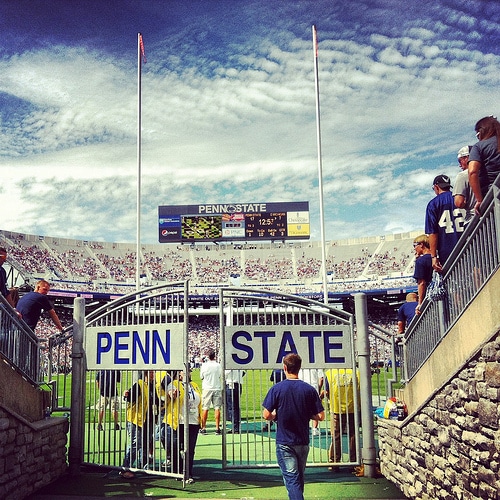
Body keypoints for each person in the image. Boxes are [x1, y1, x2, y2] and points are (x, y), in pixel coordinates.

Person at [262, 354, 325, 500]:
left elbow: (266, 414)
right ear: (299, 368)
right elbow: (321, 416)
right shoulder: (309, 389)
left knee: (292, 479)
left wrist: (275, 416)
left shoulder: (277, 388)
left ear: (285, 368)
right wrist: (306, 413)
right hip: (302, 440)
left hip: (285, 441)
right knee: (298, 479)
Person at [164, 369, 202, 483]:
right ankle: (178, 471)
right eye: (184, 371)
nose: (187, 373)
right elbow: (170, 393)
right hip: (179, 421)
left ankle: (188, 473)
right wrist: (172, 395)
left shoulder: (194, 385)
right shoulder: (174, 383)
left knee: (190, 449)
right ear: (179, 374)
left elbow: (199, 401)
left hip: (193, 421)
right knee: (176, 447)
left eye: (189, 371)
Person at [425, 175, 466, 272]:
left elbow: (432, 232)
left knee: (453, 281)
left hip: (447, 250)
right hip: (466, 244)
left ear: (436, 187)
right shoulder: (460, 199)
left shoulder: (433, 204)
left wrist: (433, 256)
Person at [322, 368, 360, 473]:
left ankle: (334, 462)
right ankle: (354, 461)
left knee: (336, 435)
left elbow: (326, 390)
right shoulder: (356, 371)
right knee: (353, 435)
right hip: (354, 407)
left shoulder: (330, 372)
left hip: (337, 408)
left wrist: (319, 397)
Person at [121, 370, 155, 479]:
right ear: (146, 374)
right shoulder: (139, 385)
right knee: (136, 443)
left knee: (145, 443)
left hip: (147, 419)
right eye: (151, 373)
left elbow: (157, 401)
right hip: (136, 419)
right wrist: (126, 394)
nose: (153, 375)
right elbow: (129, 397)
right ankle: (125, 468)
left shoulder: (151, 386)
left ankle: (144, 466)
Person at [468, 115, 500, 215]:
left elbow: (472, 171)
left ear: (481, 131)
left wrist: (479, 200)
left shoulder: (479, 147)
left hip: (492, 196)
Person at [199, 350, 222, 435]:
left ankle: (203, 427)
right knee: (217, 408)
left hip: (207, 388)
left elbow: (201, 377)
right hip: (216, 387)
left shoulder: (204, 366)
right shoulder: (218, 365)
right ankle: (217, 428)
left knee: (205, 408)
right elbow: (220, 375)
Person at [453, 146, 476, 224]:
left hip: (473, 219)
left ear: (467, 158)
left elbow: (458, 202)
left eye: (460, 161)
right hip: (491, 214)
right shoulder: (487, 172)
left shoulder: (463, 175)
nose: (460, 165)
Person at [298, 368, 324, 436]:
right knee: (315, 409)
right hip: (313, 386)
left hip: (301, 386)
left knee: (301, 407)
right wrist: (318, 389)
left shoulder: (301, 363)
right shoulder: (317, 364)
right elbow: (321, 378)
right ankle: (314, 429)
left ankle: (301, 427)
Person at [412, 234, 433, 314]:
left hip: (430, 295)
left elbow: (421, 283)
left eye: (415, 245)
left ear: (421, 244)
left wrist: (420, 303)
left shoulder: (421, 261)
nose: (414, 248)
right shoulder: (437, 257)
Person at [225, 369, 245, 433]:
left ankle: (235, 427)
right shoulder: (238, 364)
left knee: (232, 407)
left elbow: (224, 375)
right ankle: (237, 426)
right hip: (238, 384)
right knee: (237, 406)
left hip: (231, 384)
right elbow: (243, 372)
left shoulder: (229, 365)